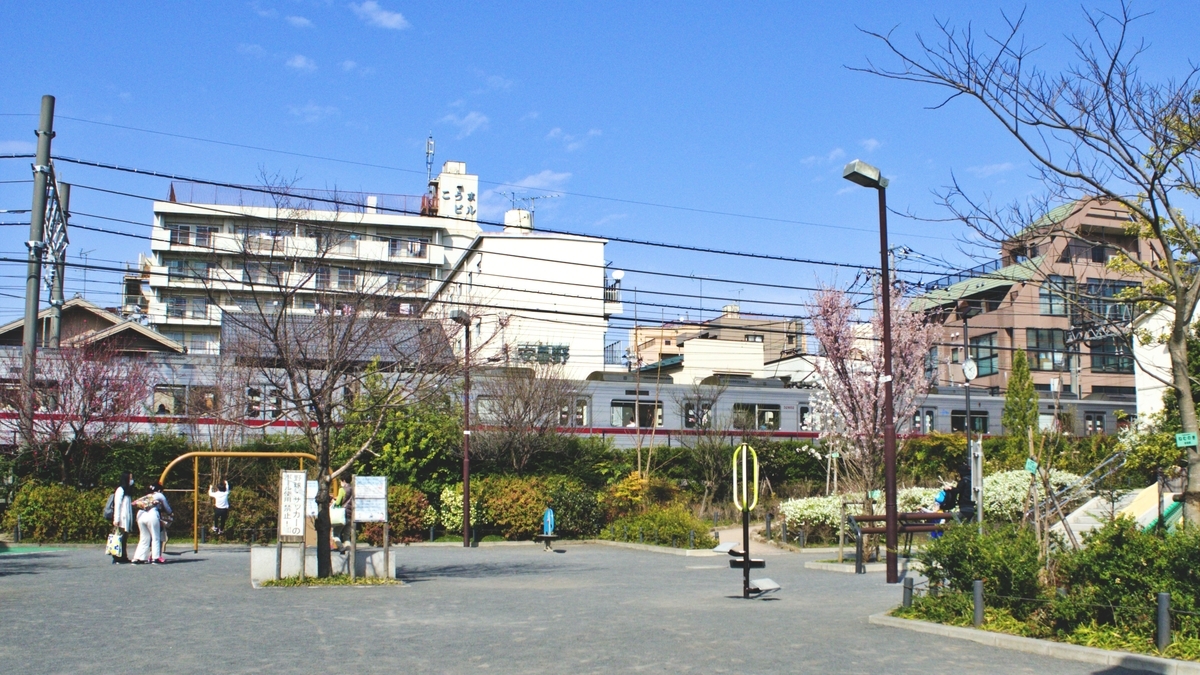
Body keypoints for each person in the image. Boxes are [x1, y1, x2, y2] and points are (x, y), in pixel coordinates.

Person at [132, 482, 172, 565]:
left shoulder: (147, 496)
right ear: (159, 490)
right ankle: (155, 557)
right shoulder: (159, 495)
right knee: (155, 537)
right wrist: (170, 513)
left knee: (144, 538)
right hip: (152, 515)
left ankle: (138, 558)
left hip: (140, 515)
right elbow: (167, 507)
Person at [110, 472, 135, 564]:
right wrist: (116, 519)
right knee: (119, 539)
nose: (132, 480)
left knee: (124, 539)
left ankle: (123, 556)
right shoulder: (120, 490)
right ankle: (117, 557)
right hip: (121, 519)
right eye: (130, 478)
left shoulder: (127, 491)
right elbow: (117, 505)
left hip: (126, 519)